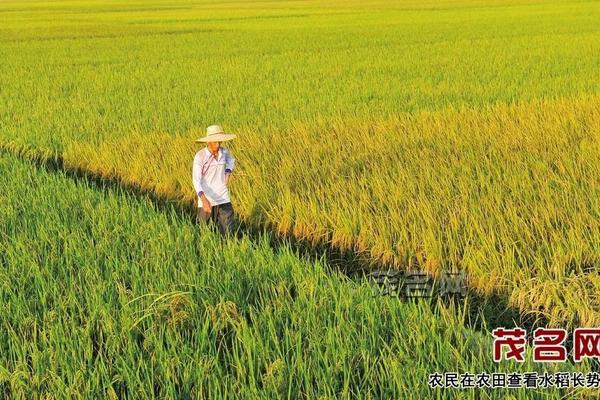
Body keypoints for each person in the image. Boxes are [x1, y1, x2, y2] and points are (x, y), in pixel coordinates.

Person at [192, 124, 237, 236]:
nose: (217, 145)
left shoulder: (224, 152)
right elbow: (196, 179)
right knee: (204, 233)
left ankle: (227, 251)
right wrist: (203, 199)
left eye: (219, 142)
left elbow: (232, 160)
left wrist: (227, 172)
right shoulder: (200, 156)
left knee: (228, 232)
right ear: (208, 142)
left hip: (223, 198)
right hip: (207, 199)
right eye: (215, 142)